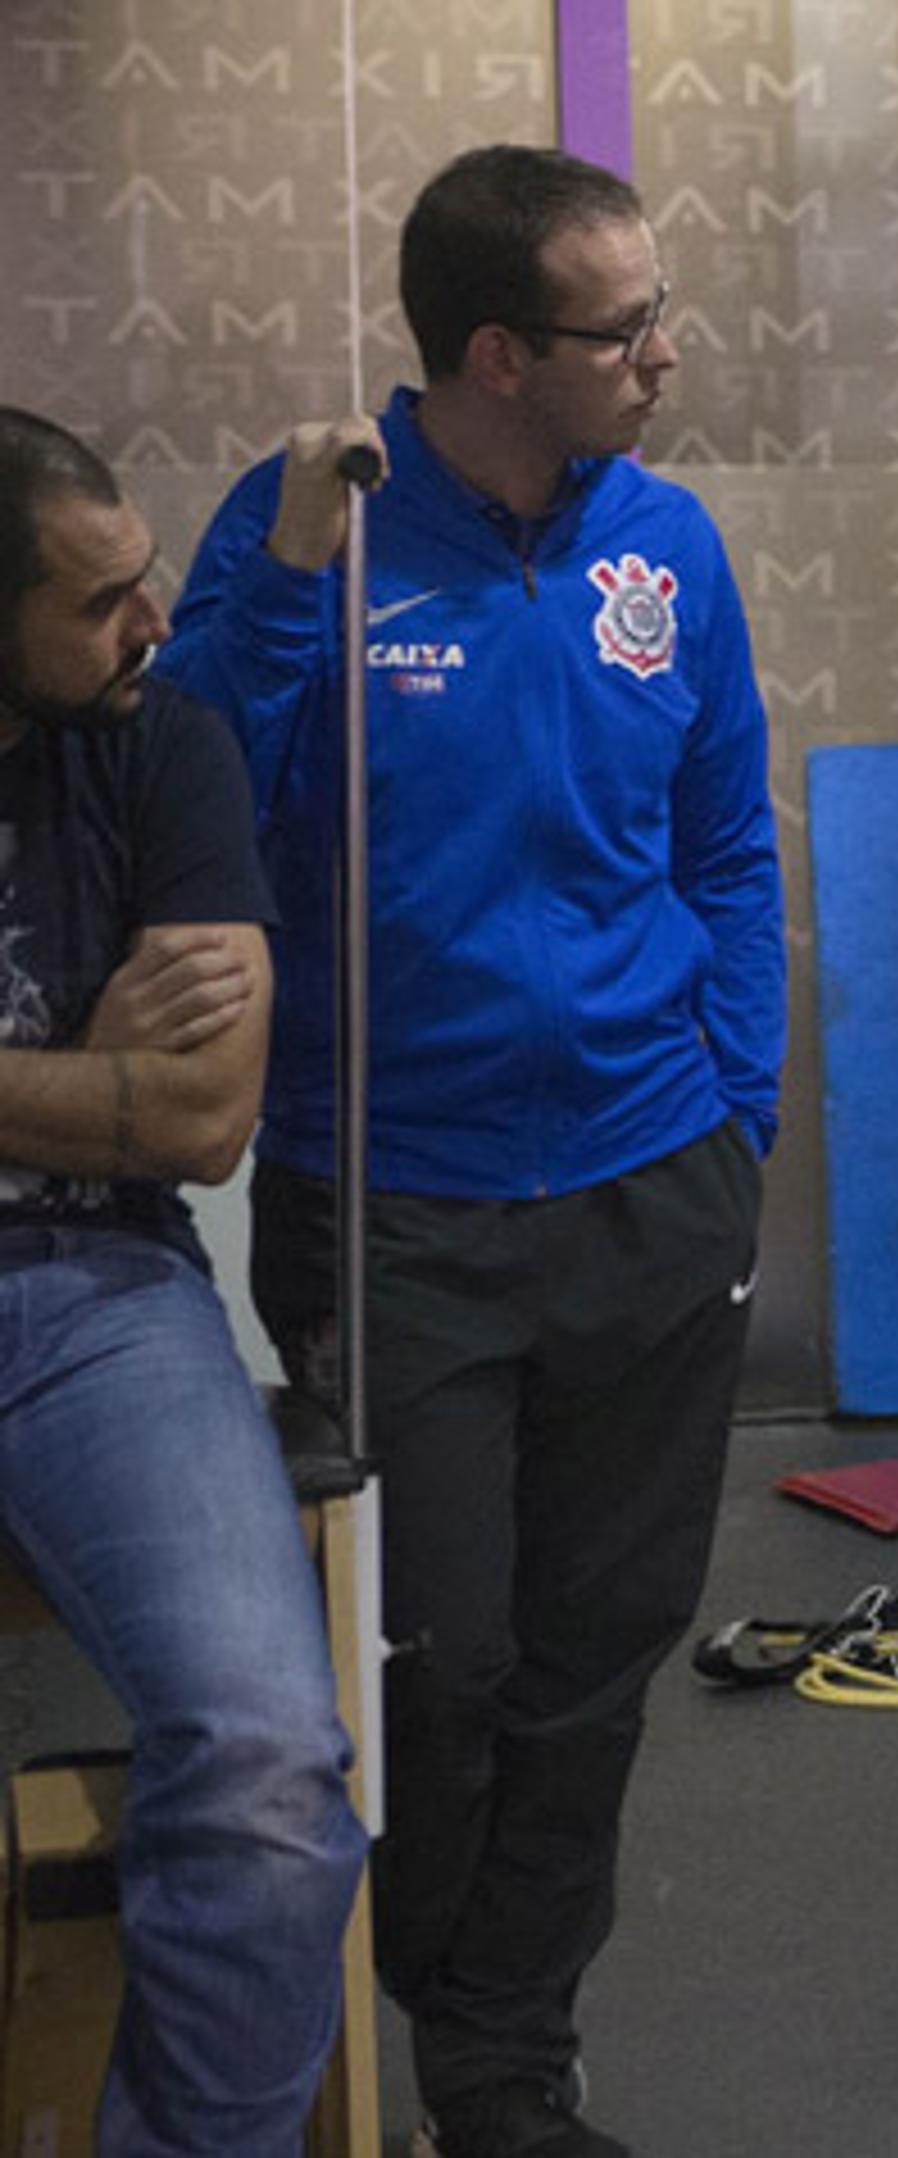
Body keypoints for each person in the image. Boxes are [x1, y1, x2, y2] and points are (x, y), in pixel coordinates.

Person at [157, 144, 779, 2158]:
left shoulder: (662, 544)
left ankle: (505, 2066)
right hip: (394, 1200)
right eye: (627, 327)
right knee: (436, 1658)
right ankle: (419, 1979)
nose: (665, 355)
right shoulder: (315, 534)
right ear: (499, 352)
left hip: (649, 1175)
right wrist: (276, 577)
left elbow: (728, 845)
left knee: (596, 1657)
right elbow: (191, 800)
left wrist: (740, 1109)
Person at [0, 407, 368, 2156]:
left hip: (90, 1290)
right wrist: (85, 1075)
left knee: (275, 1775)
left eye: (146, 581)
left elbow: (205, 1116)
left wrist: (108, 1096)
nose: (149, 623)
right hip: (81, 1214)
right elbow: (134, 1101)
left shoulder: (167, 744)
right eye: (98, 603)